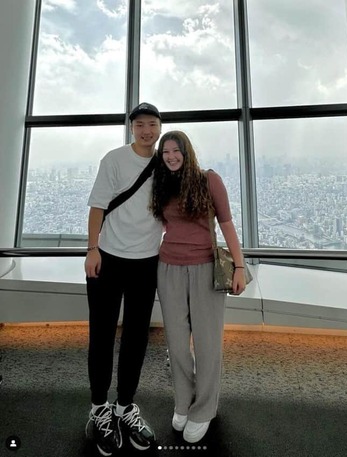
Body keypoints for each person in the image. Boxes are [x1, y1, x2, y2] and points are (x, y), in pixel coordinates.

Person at [151, 130, 246, 443]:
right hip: (168, 268)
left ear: (186, 151)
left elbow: (227, 224)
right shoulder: (161, 183)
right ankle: (183, 401)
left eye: (175, 150)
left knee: (207, 345)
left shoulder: (209, 180)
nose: (170, 157)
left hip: (205, 268)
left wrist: (240, 267)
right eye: (165, 152)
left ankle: (204, 409)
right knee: (177, 345)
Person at [84, 102, 163, 456]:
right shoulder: (114, 159)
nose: (147, 130)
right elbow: (98, 206)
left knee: (136, 338)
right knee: (101, 335)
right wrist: (92, 249)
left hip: (146, 262)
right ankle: (99, 408)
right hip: (109, 258)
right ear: (132, 128)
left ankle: (125, 406)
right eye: (140, 124)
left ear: (160, 127)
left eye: (152, 124)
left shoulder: (165, 163)